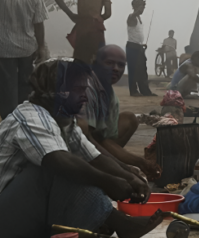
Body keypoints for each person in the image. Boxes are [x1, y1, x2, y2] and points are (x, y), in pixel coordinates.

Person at [0, 59, 162, 238]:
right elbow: (58, 161)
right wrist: (108, 182)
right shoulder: (30, 118)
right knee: (58, 169)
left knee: (80, 168)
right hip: (5, 216)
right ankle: (119, 223)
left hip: (28, 210)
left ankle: (104, 221)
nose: (85, 97)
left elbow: (94, 157)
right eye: (79, 91)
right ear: (57, 93)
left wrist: (130, 177)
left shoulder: (65, 120)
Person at [77, 45, 161, 180]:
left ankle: (110, 162)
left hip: (95, 139)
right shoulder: (87, 89)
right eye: (109, 63)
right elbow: (88, 139)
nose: (116, 68)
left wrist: (138, 163)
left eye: (121, 65)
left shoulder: (109, 94)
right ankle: (104, 166)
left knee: (129, 119)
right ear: (96, 63)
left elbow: (104, 139)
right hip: (76, 145)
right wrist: (126, 167)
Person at [0, 0, 48, 118]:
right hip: (27, 48)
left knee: (6, 86)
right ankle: (23, 119)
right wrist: (41, 47)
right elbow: (38, 23)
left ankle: (8, 120)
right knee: (26, 85)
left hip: (3, 49)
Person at [52, 0, 113, 64]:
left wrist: (71, 15)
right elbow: (108, 13)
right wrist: (99, 19)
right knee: (97, 59)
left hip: (80, 26)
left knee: (80, 58)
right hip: (94, 27)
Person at [125, 0, 155, 96]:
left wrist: (142, 44)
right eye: (142, 7)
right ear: (136, 7)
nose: (143, 9)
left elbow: (136, 33)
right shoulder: (132, 17)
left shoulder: (138, 18)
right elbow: (131, 17)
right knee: (133, 70)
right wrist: (136, 11)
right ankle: (133, 91)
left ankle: (145, 91)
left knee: (142, 70)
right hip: (132, 46)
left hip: (138, 46)